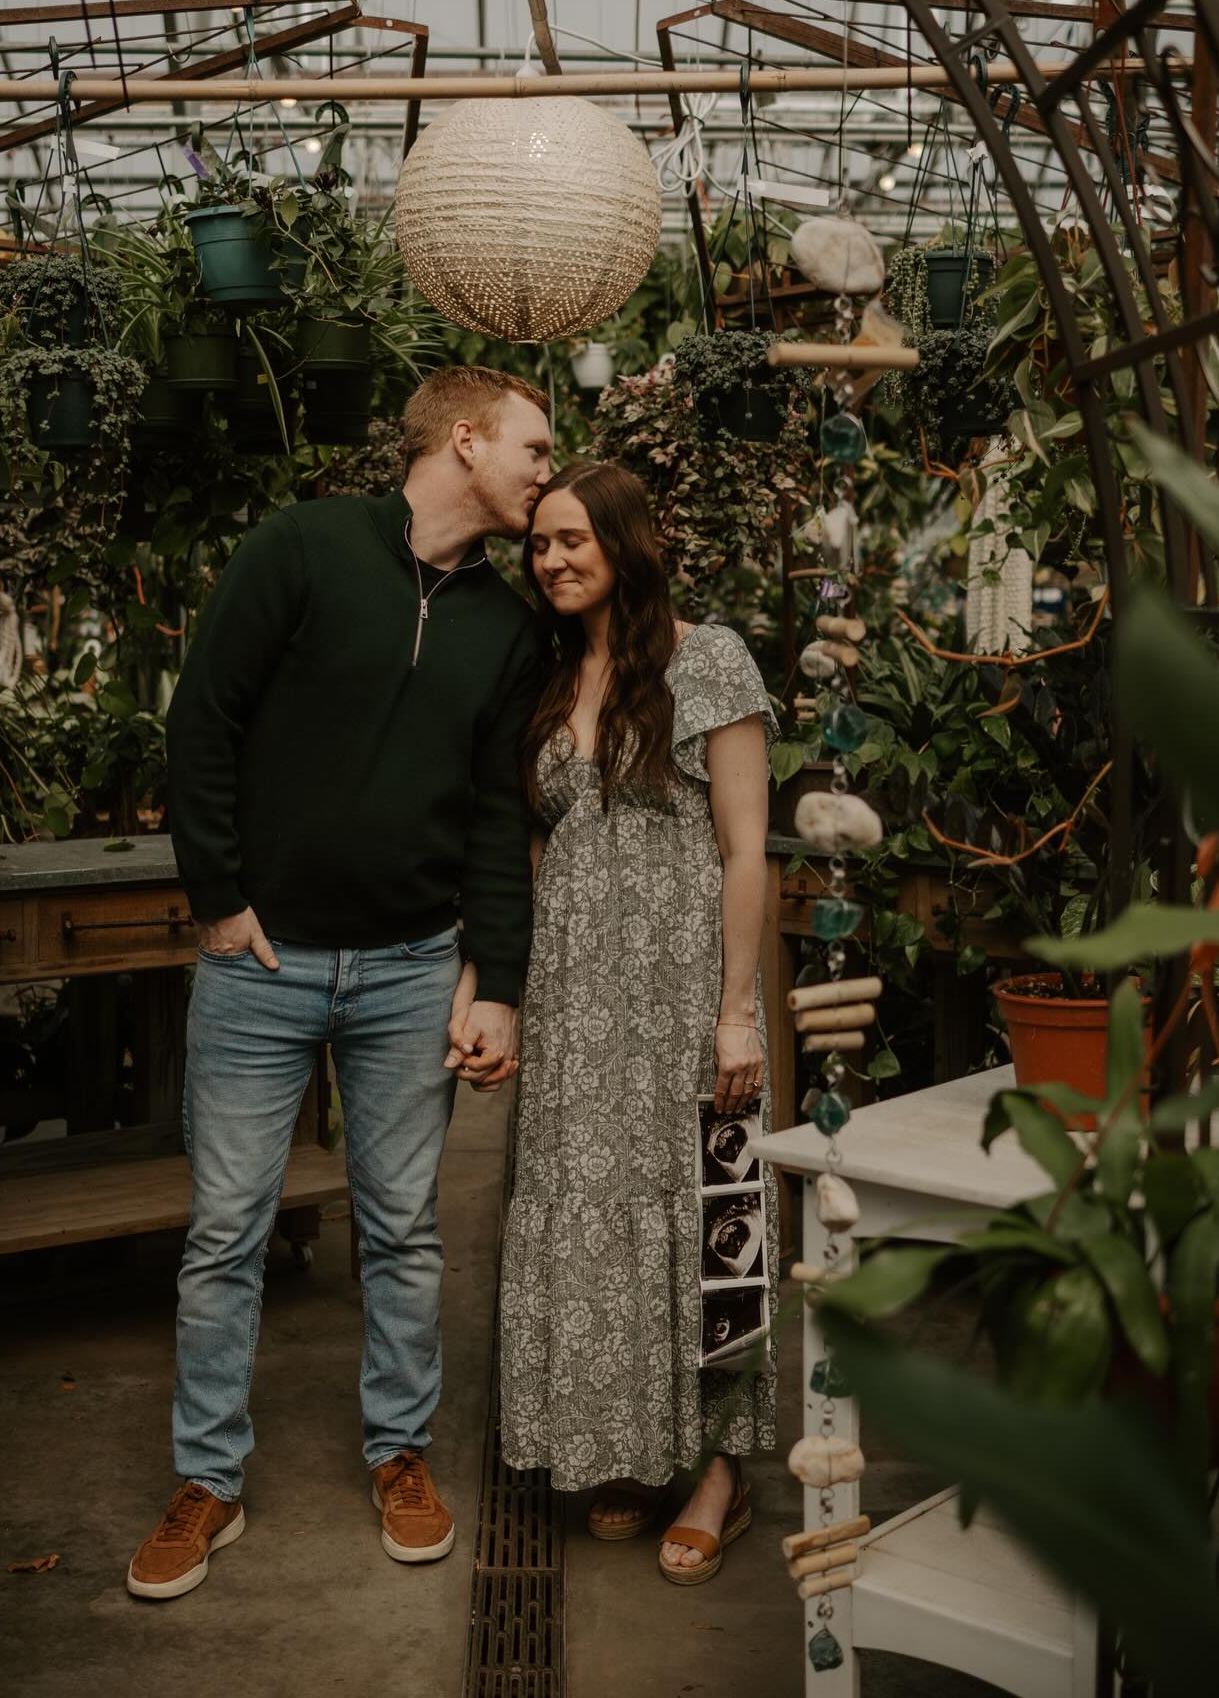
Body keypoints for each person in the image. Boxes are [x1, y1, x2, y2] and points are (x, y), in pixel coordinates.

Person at [125, 366, 553, 1600]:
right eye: (533, 448)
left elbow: (497, 814)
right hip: (261, 967)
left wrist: (496, 980)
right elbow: (203, 722)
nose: (546, 469)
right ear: (464, 440)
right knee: (226, 1232)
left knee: (404, 1230)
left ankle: (400, 1454)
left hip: (412, 970)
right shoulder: (303, 548)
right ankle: (207, 1478)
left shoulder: (508, 627)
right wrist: (220, 902)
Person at [482, 460, 778, 1586]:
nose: (552, 560)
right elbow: (540, 844)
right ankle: (634, 1448)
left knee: (710, 1213)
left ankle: (719, 1473)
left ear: (625, 543)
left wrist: (737, 1013)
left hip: (687, 989)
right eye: (540, 544)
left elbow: (745, 848)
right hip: (578, 1000)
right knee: (598, 1217)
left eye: (574, 540)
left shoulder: (710, 660)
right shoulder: (552, 672)